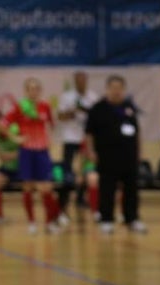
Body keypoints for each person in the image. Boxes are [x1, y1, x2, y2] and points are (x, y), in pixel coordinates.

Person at [84, 75, 147, 234]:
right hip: (107, 156)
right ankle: (106, 220)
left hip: (128, 156)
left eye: (120, 88)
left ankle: (132, 219)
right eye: (113, 88)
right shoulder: (98, 109)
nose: (117, 91)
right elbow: (89, 133)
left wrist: (139, 152)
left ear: (124, 90)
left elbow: (137, 132)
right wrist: (91, 151)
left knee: (131, 189)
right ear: (107, 89)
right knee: (107, 189)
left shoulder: (129, 108)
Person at [6, 78, 60, 235]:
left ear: (40, 91)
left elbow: (52, 125)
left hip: (42, 151)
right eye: (30, 88)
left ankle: (50, 223)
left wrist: (49, 140)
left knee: (46, 188)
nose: (34, 91)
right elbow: (4, 123)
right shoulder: (20, 107)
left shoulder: (45, 107)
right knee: (28, 187)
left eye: (36, 88)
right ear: (26, 91)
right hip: (27, 151)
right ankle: (31, 222)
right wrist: (15, 138)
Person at [56, 71, 99, 223]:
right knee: (67, 173)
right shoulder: (67, 97)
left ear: (86, 81)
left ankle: (82, 200)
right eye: (78, 80)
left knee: (88, 171)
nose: (81, 82)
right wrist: (72, 112)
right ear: (74, 81)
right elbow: (60, 116)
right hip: (70, 138)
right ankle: (63, 207)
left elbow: (98, 117)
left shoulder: (93, 97)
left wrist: (87, 111)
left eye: (83, 80)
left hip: (87, 140)